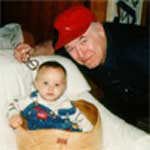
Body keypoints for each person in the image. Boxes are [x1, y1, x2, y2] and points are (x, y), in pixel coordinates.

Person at [13, 5, 148, 131]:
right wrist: (30, 51)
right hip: (125, 103)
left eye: (84, 41)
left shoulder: (137, 50)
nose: (80, 54)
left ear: (100, 30)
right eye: (71, 48)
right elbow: (52, 46)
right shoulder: (78, 48)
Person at [7, 61, 93, 132]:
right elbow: (12, 103)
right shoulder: (31, 100)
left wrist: (89, 132)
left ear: (64, 87)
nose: (51, 88)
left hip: (63, 141)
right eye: (45, 83)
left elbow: (81, 119)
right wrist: (13, 115)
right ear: (35, 84)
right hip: (37, 140)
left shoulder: (66, 105)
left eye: (57, 84)